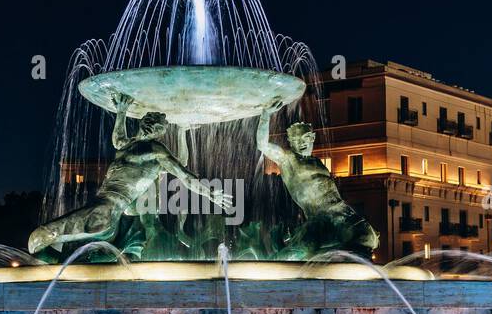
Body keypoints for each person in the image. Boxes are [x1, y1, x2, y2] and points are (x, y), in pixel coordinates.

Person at [28, 93, 231, 255]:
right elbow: (118, 139)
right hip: (105, 207)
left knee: (46, 234)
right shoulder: (131, 145)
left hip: (110, 209)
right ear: (154, 128)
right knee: (49, 237)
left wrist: (210, 194)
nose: (158, 130)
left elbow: (184, 172)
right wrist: (121, 111)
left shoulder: (155, 150)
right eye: (161, 127)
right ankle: (48, 261)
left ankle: (44, 264)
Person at [255, 98, 378, 256]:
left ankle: (331, 258)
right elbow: (262, 145)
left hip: (342, 213)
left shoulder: (317, 161)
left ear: (312, 138)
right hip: (318, 219)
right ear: (290, 143)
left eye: (305, 138)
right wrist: (266, 114)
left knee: (369, 239)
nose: (302, 143)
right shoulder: (288, 159)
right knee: (295, 255)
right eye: (296, 140)